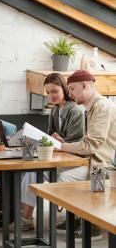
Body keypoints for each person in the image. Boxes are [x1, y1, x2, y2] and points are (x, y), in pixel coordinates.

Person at [10, 73, 86, 232]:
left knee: (41, 172)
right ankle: (25, 217)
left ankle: (25, 216)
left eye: (55, 91)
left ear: (64, 89)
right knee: (31, 172)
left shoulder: (76, 111)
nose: (51, 96)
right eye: (48, 93)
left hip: (76, 161)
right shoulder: (54, 110)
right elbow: (49, 137)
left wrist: (59, 141)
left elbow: (77, 145)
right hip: (60, 158)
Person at [59, 69, 116, 240]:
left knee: (64, 179)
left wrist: (61, 146)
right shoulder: (90, 107)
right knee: (58, 172)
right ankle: (77, 219)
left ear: (84, 86)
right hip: (92, 160)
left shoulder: (102, 107)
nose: (69, 94)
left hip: (103, 164)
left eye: (71, 89)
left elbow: (91, 145)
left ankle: (93, 226)